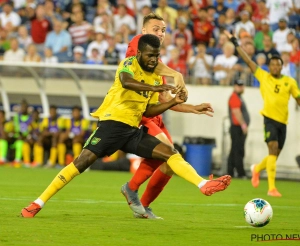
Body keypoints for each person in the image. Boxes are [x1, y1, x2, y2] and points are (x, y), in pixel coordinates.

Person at [21, 34, 231, 218]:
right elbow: (126, 81)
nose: (153, 60)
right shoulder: (128, 64)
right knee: (81, 163)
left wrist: (173, 102)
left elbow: (148, 111)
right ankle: (37, 203)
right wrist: (155, 86)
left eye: (156, 56)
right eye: (149, 55)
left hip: (131, 131)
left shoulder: (156, 77)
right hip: (111, 126)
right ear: (139, 53)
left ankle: (203, 184)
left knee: (170, 152)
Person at [121, 13, 225, 219]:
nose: (160, 33)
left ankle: (141, 204)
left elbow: (166, 101)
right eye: (155, 29)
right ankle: (202, 183)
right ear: (143, 31)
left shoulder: (155, 63)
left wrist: (193, 108)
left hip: (157, 117)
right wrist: (176, 74)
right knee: (170, 152)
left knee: (168, 164)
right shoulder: (138, 43)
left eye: (163, 30)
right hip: (143, 116)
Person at [224, 30, 300, 197]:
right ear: (269, 66)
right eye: (272, 64)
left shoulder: (290, 82)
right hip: (269, 119)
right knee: (272, 149)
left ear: (281, 66)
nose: (274, 66)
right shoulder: (264, 76)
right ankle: (271, 188)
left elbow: (298, 98)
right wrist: (236, 44)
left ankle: (256, 169)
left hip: (283, 123)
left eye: (277, 64)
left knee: (274, 155)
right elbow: (248, 60)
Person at [227, 79, 250, 178]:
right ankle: (240, 173)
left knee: (234, 150)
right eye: (239, 86)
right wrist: (244, 125)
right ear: (235, 86)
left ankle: (230, 172)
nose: (241, 87)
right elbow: (237, 112)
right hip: (237, 128)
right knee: (238, 151)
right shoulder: (234, 97)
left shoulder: (238, 97)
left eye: (242, 85)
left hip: (237, 127)